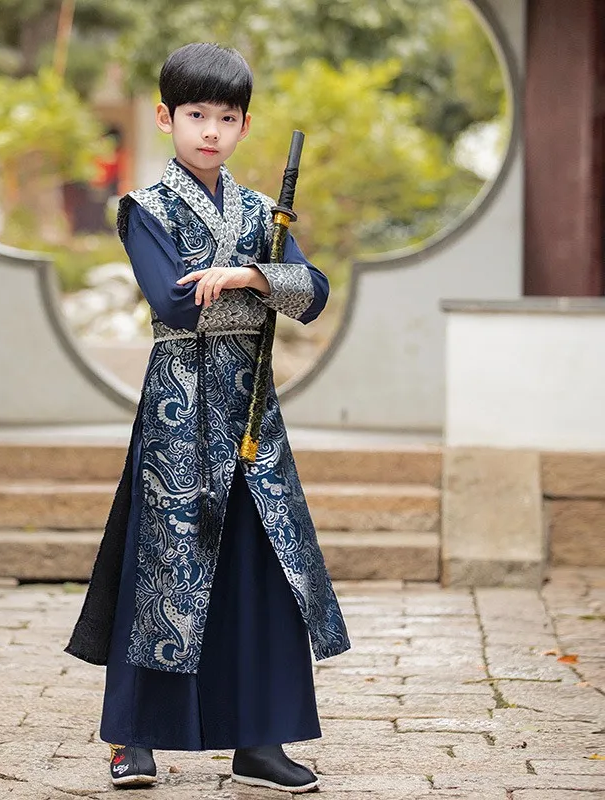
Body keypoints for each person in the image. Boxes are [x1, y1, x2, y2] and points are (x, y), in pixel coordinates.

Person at [65, 42, 351, 794]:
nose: (211, 131)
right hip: (178, 405)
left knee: (263, 567)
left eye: (227, 117)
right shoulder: (144, 209)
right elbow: (170, 301)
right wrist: (265, 289)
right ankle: (134, 740)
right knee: (163, 564)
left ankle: (260, 741)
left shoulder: (262, 212)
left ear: (245, 126)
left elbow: (313, 293)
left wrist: (249, 272)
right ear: (165, 117)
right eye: (196, 114)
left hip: (250, 404)